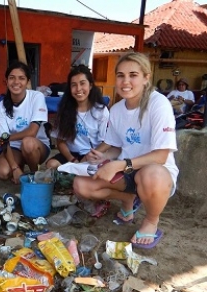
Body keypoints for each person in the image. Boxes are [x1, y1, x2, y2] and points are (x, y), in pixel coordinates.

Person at [73, 52, 179, 249]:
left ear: (146, 77)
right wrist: (102, 157)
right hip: (128, 172)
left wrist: (121, 164)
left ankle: (151, 220)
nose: (125, 81)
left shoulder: (158, 104)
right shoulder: (117, 109)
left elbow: (161, 156)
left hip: (155, 172)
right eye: (121, 75)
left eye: (133, 75)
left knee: (150, 174)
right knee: (81, 185)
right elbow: (116, 147)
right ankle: (129, 198)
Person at [0, 60, 50, 184]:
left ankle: (35, 175)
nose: (16, 82)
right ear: (6, 81)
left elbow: (32, 132)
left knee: (28, 143)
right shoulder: (2, 106)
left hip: (38, 146)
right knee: (3, 172)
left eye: (21, 78)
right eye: (12, 78)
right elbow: (3, 139)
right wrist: (14, 168)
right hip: (14, 147)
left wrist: (7, 138)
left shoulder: (36, 97)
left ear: (28, 82)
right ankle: (19, 169)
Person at [45, 65, 109, 169]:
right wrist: (73, 160)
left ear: (91, 85)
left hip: (92, 154)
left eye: (82, 83)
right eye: (74, 85)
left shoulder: (101, 111)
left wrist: (88, 157)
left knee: (88, 173)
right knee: (51, 165)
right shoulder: (64, 109)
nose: (78, 89)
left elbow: (106, 143)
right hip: (71, 155)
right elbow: (60, 142)